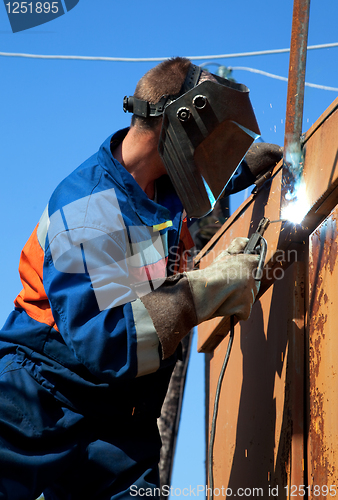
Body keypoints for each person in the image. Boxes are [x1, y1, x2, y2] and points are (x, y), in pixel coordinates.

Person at [0, 57, 282, 500]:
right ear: (181, 123)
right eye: (211, 141)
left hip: (119, 417)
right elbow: (104, 342)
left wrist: (240, 164)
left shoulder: (166, 188)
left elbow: (193, 187)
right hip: (42, 395)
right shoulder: (89, 207)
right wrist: (203, 292)